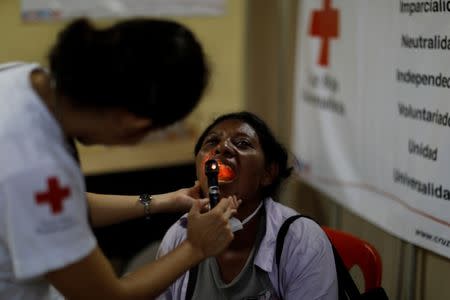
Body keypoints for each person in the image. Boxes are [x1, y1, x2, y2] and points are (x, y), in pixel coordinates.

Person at [0, 18, 240, 300]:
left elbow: (62, 204)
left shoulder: (22, 80)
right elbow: (106, 296)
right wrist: (195, 247)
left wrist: (164, 201)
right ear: (134, 123)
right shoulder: (34, 166)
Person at [156, 112, 338, 299]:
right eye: (211, 142)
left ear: (268, 173)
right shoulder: (179, 236)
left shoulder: (302, 242)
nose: (222, 147)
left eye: (242, 143)